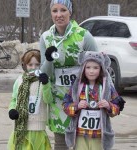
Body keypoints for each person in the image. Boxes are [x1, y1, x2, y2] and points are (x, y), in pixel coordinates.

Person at [40, 0, 98, 149]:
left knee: (82, 142)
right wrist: (48, 59)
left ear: (70, 12)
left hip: (82, 99)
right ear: (51, 13)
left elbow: (98, 68)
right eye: (55, 11)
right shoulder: (46, 37)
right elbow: (44, 74)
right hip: (58, 101)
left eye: (63, 10)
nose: (59, 15)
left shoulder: (84, 36)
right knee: (60, 143)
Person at [63, 51, 126, 150]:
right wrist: (76, 106)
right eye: (88, 67)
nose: (91, 71)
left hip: (99, 135)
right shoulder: (77, 86)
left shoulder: (107, 87)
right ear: (83, 68)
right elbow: (65, 106)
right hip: (80, 135)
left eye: (95, 68)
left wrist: (109, 106)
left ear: (101, 69)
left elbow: (117, 108)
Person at [7, 49, 52, 150]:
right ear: (25, 65)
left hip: (38, 128)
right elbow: (14, 99)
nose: (33, 67)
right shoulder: (19, 80)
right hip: (21, 127)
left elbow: (48, 100)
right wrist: (12, 109)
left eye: (37, 64)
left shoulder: (44, 80)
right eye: (30, 64)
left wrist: (45, 84)